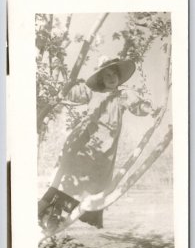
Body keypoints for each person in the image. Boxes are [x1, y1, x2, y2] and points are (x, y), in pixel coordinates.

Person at [38, 57, 157, 231]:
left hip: (105, 146)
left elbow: (137, 106)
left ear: (118, 76)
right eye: (106, 75)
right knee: (70, 174)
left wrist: (149, 109)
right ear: (100, 78)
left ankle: (63, 212)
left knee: (93, 180)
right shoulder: (92, 92)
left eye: (114, 74)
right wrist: (64, 82)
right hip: (83, 140)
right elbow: (71, 92)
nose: (111, 78)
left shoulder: (122, 95)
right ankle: (51, 212)